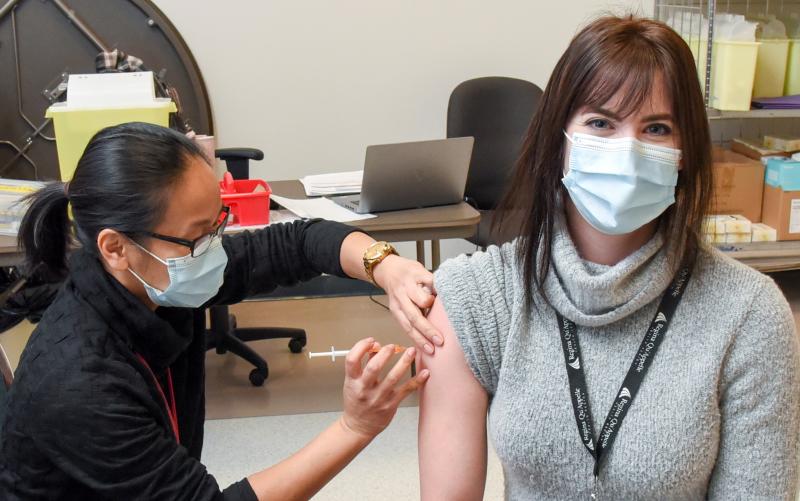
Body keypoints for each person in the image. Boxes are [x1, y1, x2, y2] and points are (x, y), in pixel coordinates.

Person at [418, 15, 800, 500]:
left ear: (685, 152)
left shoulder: (748, 313)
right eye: (600, 122)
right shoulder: (476, 298)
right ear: (559, 139)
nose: (628, 151)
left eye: (657, 128)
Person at [0, 122, 438, 500]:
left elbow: (298, 242)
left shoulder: (157, 280)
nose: (215, 250)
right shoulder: (78, 383)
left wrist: (385, 265)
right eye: (198, 235)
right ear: (116, 247)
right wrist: (355, 428)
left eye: (218, 225)